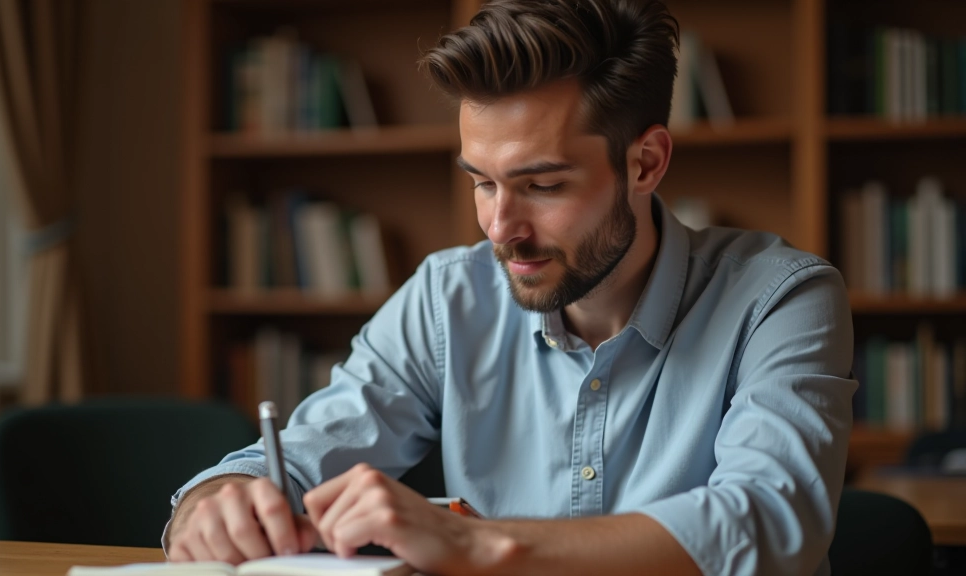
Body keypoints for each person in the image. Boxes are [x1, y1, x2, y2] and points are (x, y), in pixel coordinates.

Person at [164, 1, 855, 574]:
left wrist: (478, 544)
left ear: (644, 163)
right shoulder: (447, 297)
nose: (499, 228)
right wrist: (219, 501)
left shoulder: (782, 300)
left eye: (543, 186)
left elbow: (772, 523)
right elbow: (302, 453)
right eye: (481, 182)